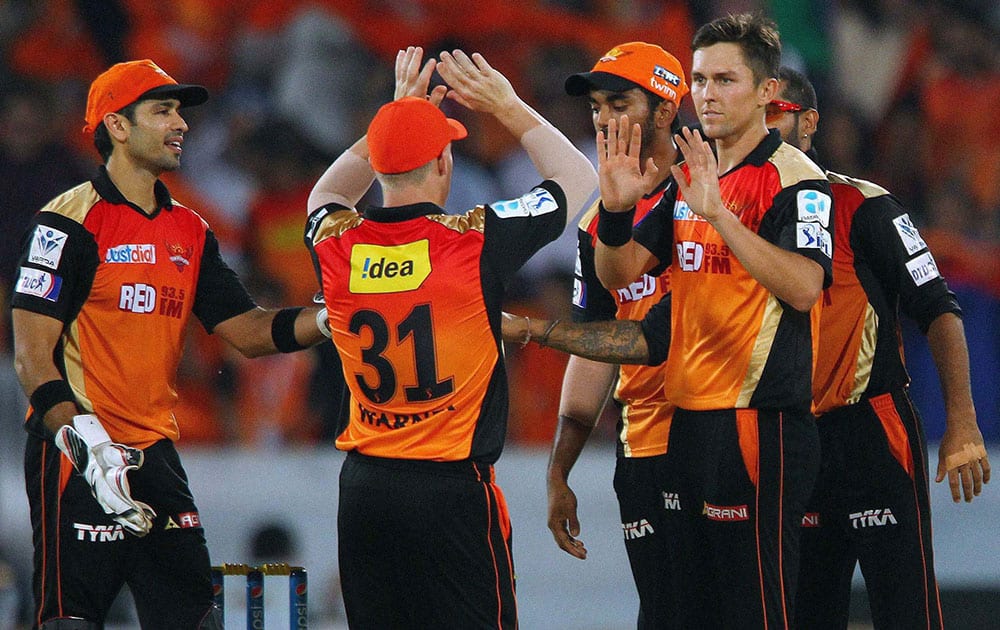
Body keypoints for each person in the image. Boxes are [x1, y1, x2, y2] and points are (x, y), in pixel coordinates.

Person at [11, 59, 330, 629]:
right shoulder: (66, 223)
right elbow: (32, 359)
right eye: (162, 110)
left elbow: (247, 331)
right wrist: (89, 446)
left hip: (154, 453)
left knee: (192, 620)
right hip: (76, 454)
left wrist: (326, 320)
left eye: (179, 111)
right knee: (69, 621)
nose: (180, 123)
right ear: (117, 126)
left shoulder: (191, 229)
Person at [303, 46, 596, 628]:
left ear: (381, 167)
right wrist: (507, 105)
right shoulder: (474, 239)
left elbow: (325, 195)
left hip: (365, 488)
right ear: (444, 163)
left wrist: (392, 118)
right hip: (451, 490)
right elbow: (577, 178)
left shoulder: (335, 242)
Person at [593, 14, 834, 627]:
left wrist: (721, 217)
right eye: (698, 80)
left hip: (761, 426)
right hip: (688, 426)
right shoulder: (691, 178)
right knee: (691, 613)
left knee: (755, 611)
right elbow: (617, 275)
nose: (705, 94)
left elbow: (806, 288)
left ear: (765, 91)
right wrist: (617, 210)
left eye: (725, 80)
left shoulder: (797, 179)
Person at [767, 66, 991, 630]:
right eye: (756, 115)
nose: (764, 129)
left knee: (905, 610)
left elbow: (939, 308)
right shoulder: (732, 213)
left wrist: (962, 423)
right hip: (791, 439)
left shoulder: (865, 206)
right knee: (806, 614)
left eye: (777, 114)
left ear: (810, 122)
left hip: (872, 432)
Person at [546, 41, 686, 628]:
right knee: (662, 615)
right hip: (644, 449)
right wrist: (559, 471)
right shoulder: (592, 221)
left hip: (730, 433)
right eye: (598, 105)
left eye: (620, 102)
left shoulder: (713, 191)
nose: (603, 117)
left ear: (664, 110)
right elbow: (594, 344)